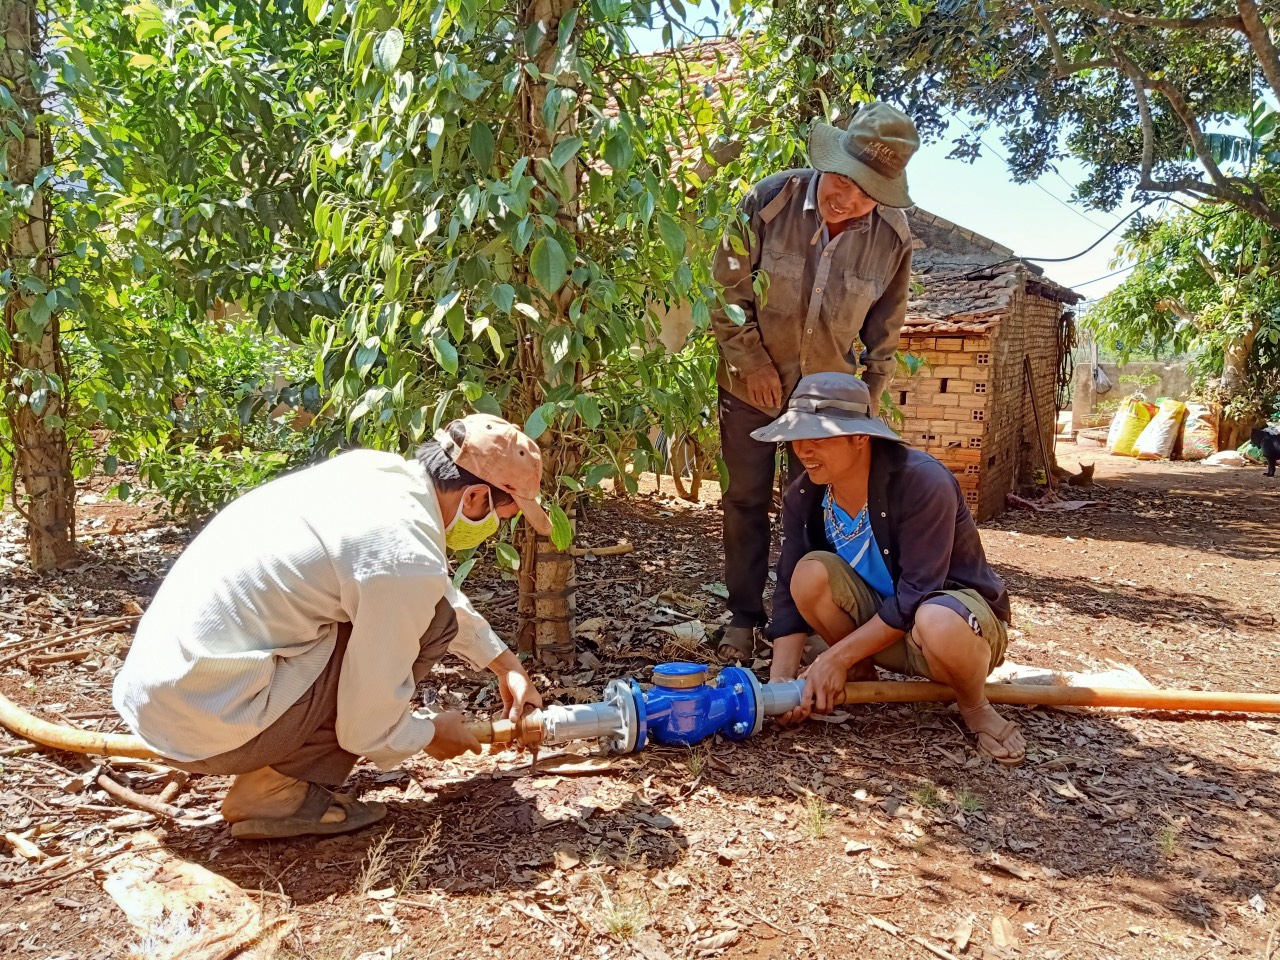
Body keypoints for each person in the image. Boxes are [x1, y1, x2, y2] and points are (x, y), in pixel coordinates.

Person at [113, 414, 550, 838]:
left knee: (421, 614)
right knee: (429, 626)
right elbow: (366, 728)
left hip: (165, 696)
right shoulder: (404, 554)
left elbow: (424, 586)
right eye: (504, 515)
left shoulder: (372, 474)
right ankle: (274, 790)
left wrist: (503, 662)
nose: (495, 528)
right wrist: (430, 733)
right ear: (475, 498)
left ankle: (276, 768)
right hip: (208, 722)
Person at [709, 102, 920, 661]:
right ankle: (743, 616)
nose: (847, 198)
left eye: (867, 191)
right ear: (830, 161)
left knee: (816, 506)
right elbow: (725, 293)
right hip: (748, 388)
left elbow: (886, 332)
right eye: (845, 180)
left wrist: (865, 406)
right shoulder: (767, 200)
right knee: (744, 500)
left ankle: (803, 621)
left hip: (828, 406)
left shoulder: (893, 239)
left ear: (884, 195)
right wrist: (749, 363)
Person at [757, 372, 1026, 765]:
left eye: (820, 439)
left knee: (935, 618)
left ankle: (975, 706)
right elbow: (788, 594)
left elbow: (917, 592)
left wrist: (833, 659)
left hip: (955, 630)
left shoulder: (921, 481)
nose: (805, 451)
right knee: (808, 573)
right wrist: (779, 683)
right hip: (881, 632)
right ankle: (862, 671)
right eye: (798, 438)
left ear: (860, 437)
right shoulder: (805, 494)